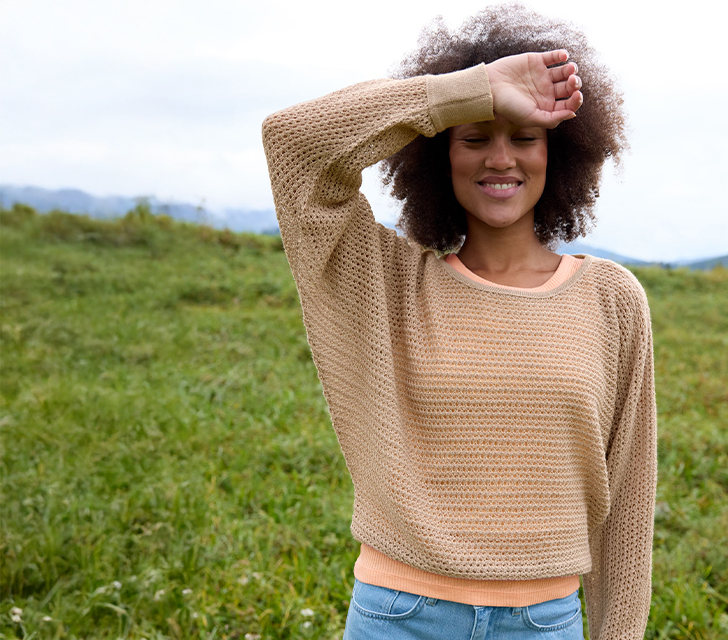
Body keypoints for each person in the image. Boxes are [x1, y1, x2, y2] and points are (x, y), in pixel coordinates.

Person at [261, 6, 656, 639]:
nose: (501, 158)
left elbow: (629, 502)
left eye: (524, 137)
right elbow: (295, 145)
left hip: (545, 623)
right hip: (399, 617)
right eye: (474, 137)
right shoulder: (385, 281)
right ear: (440, 155)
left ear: (558, 155)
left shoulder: (611, 299)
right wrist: (467, 91)